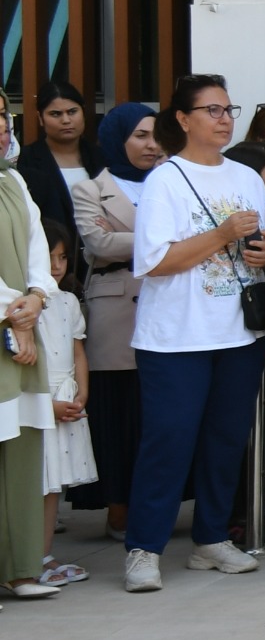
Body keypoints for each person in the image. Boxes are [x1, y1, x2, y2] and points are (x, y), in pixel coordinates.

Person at [123, 74, 265, 592]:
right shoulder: (165, 180)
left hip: (237, 333)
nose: (224, 117)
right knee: (169, 440)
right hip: (175, 339)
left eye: (228, 108)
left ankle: (211, 538)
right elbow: (155, 262)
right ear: (183, 120)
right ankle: (144, 548)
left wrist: (262, 251)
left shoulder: (246, 177)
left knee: (226, 440)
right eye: (212, 109)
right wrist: (221, 234)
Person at [68, 102, 157, 535]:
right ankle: (117, 507)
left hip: (163, 306)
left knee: (154, 413)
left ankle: (155, 503)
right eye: (140, 135)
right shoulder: (90, 189)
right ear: (117, 138)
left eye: (156, 135)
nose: (151, 145)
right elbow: (100, 244)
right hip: (115, 310)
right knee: (117, 414)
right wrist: (167, 239)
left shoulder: (170, 182)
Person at [0, 139, 59, 600]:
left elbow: (38, 247)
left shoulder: (15, 180)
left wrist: (36, 297)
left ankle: (20, 569)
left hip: (22, 324)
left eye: (3, 120)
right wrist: (15, 312)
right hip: (12, 322)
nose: (0, 130)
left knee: (22, 447)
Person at [33, 220, 94, 585]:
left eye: (61, 257)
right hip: (37, 400)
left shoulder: (68, 301)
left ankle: (43, 554)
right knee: (34, 480)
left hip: (65, 395)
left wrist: (81, 392)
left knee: (54, 484)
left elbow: (78, 350)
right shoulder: (19, 304)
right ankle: (25, 556)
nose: (56, 266)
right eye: (48, 257)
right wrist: (46, 404)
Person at [19, 82, 100, 287]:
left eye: (72, 112)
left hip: (98, 264)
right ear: (40, 118)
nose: (66, 120)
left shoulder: (101, 159)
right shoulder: (26, 160)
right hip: (51, 268)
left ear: (83, 112)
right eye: (55, 114)